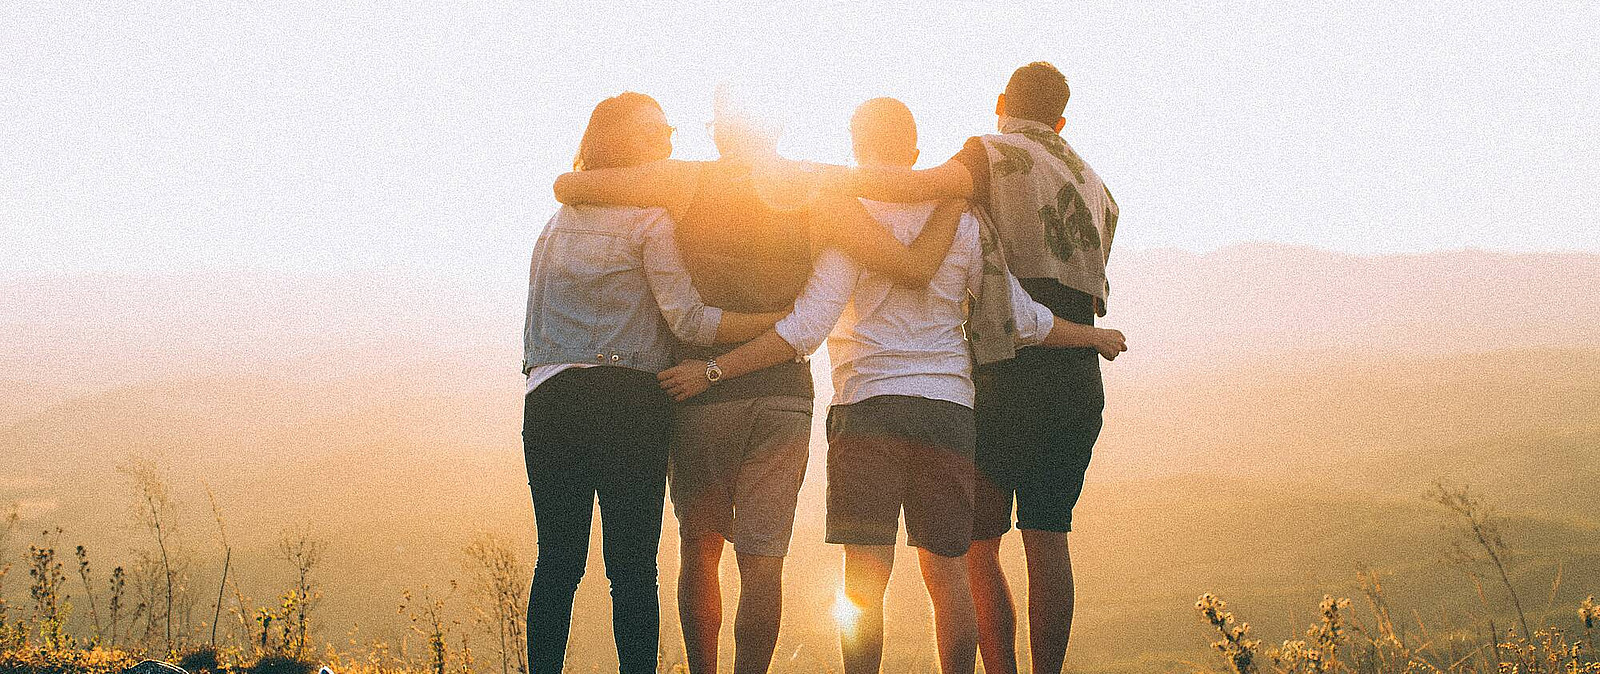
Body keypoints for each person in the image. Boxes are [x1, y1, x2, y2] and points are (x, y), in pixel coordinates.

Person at [656, 98, 1126, 674]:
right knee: (948, 573)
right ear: (915, 149)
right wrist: (1091, 337)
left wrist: (714, 369)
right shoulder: (966, 221)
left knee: (864, 579)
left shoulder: (848, 220)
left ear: (856, 147)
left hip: (866, 411)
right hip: (948, 411)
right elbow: (1020, 316)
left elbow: (806, 329)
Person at [552, 86, 962, 674]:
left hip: (696, 392)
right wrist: (955, 191)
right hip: (782, 396)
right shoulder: (815, 188)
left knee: (700, 552)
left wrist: (573, 183)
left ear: (718, 130)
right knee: (763, 562)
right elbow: (911, 264)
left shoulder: (682, 179)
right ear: (777, 126)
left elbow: (573, 186)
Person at [836, 62, 1120, 674]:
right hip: (1075, 372)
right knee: (1049, 539)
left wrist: (822, 186)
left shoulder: (987, 153)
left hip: (1005, 369)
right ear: (1061, 119)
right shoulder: (1096, 184)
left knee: (976, 548)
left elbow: (923, 189)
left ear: (1001, 102)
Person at [520, 92, 788, 674]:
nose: (668, 138)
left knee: (558, 561)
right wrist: (779, 323)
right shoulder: (649, 221)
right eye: (654, 130)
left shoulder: (554, 225)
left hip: (549, 398)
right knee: (632, 565)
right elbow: (691, 321)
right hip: (628, 402)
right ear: (622, 141)